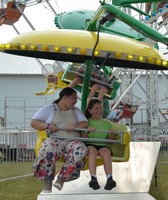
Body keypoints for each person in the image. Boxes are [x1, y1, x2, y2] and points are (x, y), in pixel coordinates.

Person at [31, 87, 88, 193]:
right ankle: (48, 180)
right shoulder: (50, 109)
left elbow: (85, 123)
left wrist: (75, 126)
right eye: (73, 98)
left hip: (72, 140)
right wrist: (47, 125)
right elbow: (34, 122)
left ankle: (62, 177)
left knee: (80, 149)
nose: (75, 101)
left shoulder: (76, 111)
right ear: (64, 98)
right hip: (55, 139)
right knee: (48, 148)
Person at [81, 98, 117, 190]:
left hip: (103, 144)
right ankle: (93, 178)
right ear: (90, 110)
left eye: (100, 108)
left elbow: (111, 141)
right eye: (96, 108)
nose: (99, 110)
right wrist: (87, 132)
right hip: (90, 144)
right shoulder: (86, 122)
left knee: (106, 152)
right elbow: (82, 139)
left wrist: (113, 134)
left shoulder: (107, 123)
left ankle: (110, 179)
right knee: (92, 151)